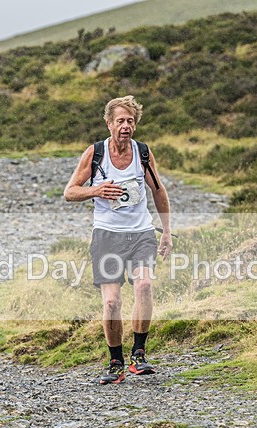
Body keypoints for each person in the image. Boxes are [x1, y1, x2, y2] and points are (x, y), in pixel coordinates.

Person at [64, 95, 173, 384]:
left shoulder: (143, 153)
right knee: (112, 303)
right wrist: (96, 190)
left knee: (145, 285)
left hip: (141, 233)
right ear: (109, 123)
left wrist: (167, 233)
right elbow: (70, 191)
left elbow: (158, 192)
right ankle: (115, 362)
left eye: (131, 121)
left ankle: (139, 354)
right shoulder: (95, 153)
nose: (126, 126)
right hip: (107, 236)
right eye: (121, 121)